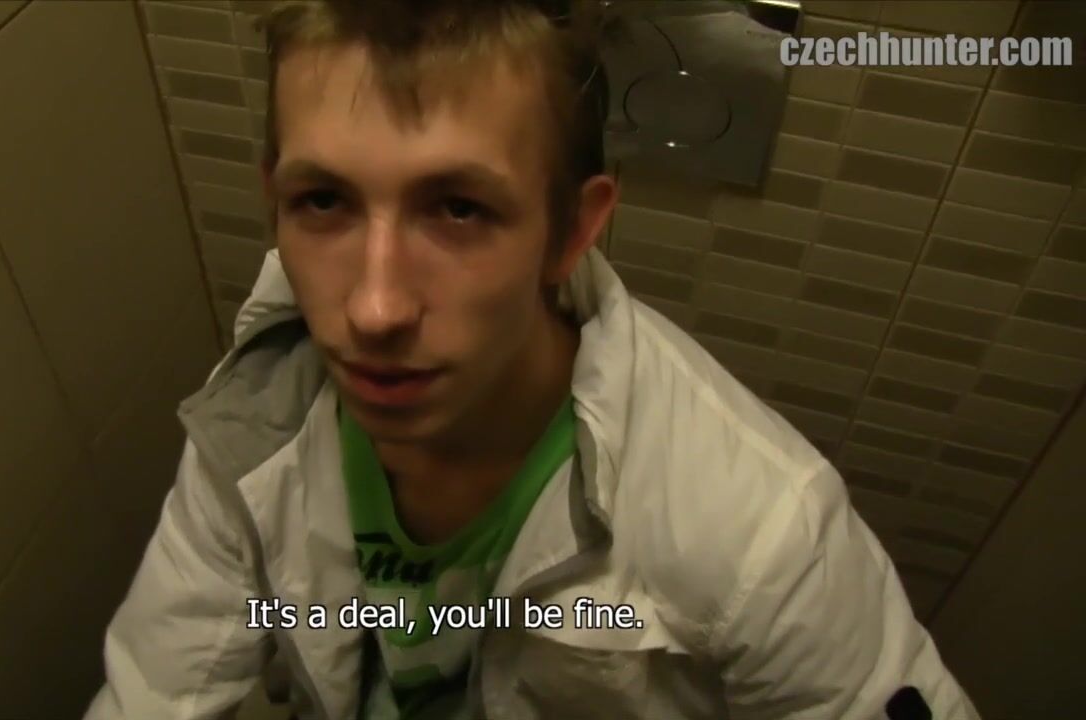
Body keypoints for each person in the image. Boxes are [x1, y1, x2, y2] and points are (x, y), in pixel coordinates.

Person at [85, 1, 978, 718]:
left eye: (459, 209)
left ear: (572, 230)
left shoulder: (760, 535)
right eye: (323, 201)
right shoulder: (252, 432)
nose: (374, 308)